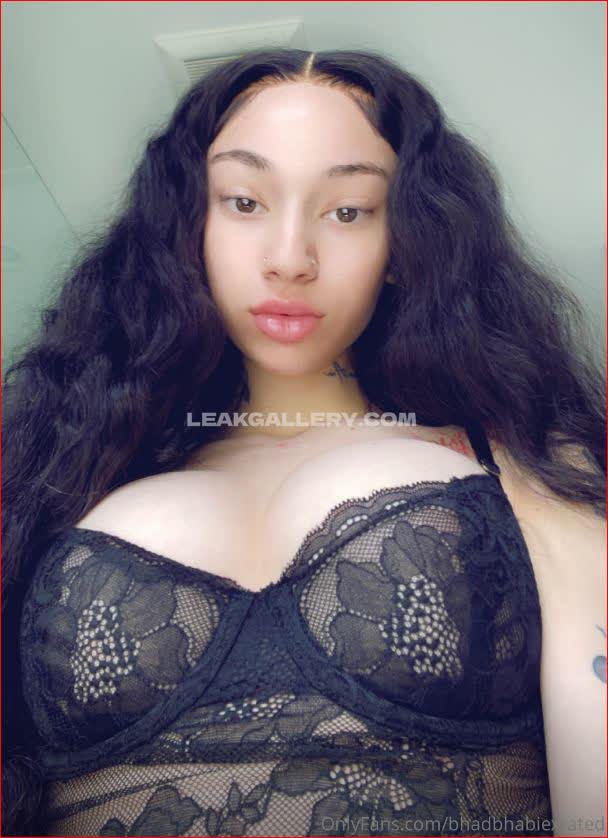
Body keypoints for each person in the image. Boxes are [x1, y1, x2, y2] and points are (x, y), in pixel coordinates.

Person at [2, 48, 605, 837]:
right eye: (244, 201)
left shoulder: (524, 456)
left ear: (405, 244)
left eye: (348, 211)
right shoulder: (62, 469)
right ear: (189, 226)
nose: (290, 259)